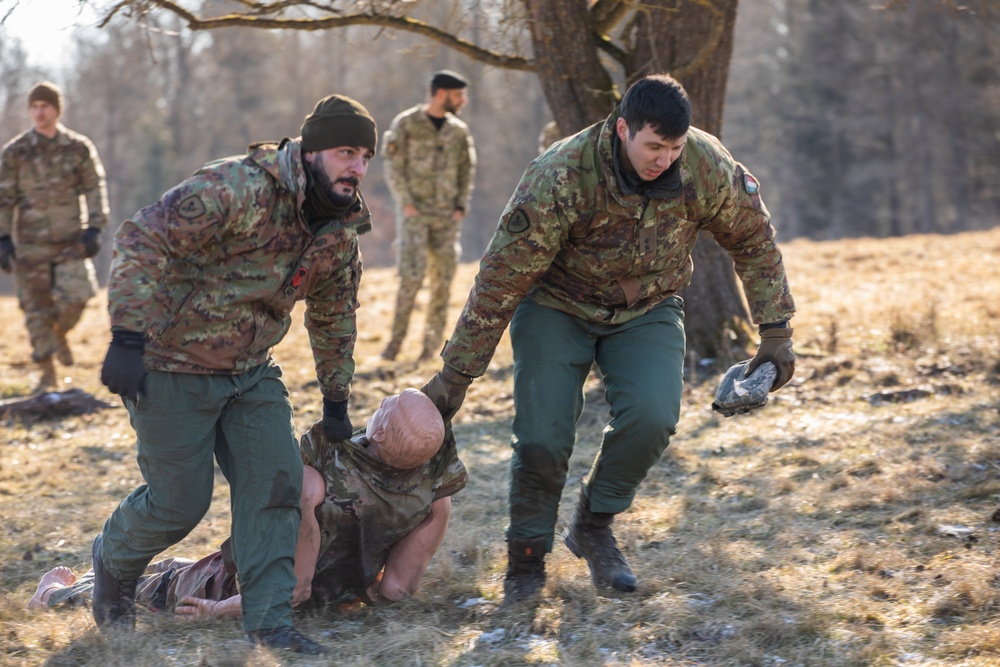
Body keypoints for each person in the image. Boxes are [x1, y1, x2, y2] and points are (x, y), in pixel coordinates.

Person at [422, 74, 796, 603]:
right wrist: (455, 378)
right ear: (622, 129)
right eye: (653, 146)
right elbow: (502, 278)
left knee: (653, 415)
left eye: (673, 147)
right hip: (557, 305)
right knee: (543, 438)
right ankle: (526, 560)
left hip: (647, 307)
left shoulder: (704, 165)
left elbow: (753, 237)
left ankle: (593, 525)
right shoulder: (561, 175)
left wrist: (776, 331)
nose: (664, 159)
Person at [93, 93, 379, 654]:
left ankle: (269, 619)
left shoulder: (341, 227)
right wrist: (127, 336)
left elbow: (335, 312)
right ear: (314, 149)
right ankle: (115, 558)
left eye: (367, 157)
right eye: (348, 152)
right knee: (179, 500)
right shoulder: (238, 187)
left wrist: (336, 399)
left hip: (250, 373)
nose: (358, 168)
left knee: (276, 485)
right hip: (171, 364)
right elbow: (142, 238)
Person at [29, 389, 466, 619]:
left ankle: (53, 595)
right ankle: (140, 573)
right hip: (331, 595)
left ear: (384, 435)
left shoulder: (315, 482)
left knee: (157, 589)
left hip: (234, 586)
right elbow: (394, 590)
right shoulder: (429, 499)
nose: (381, 405)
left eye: (386, 406)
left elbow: (290, 591)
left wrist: (219, 611)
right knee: (180, 568)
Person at [0, 81, 109, 393]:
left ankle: (59, 330)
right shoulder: (16, 152)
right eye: (34, 106)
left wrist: (95, 227)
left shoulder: (78, 148)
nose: (39, 112)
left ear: (57, 109)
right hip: (30, 245)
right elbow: (4, 197)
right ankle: (47, 374)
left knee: (81, 295)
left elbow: (94, 186)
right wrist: (3, 238)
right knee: (35, 308)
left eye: (44, 106)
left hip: (69, 240)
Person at [381, 70, 477, 362]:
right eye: (458, 95)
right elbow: (393, 166)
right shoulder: (406, 124)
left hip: (446, 217)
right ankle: (394, 345)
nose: (463, 101)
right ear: (440, 93)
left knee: (442, 281)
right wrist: (406, 203)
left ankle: (430, 348)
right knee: (411, 277)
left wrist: (461, 205)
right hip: (415, 215)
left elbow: (466, 169)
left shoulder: (458, 131)